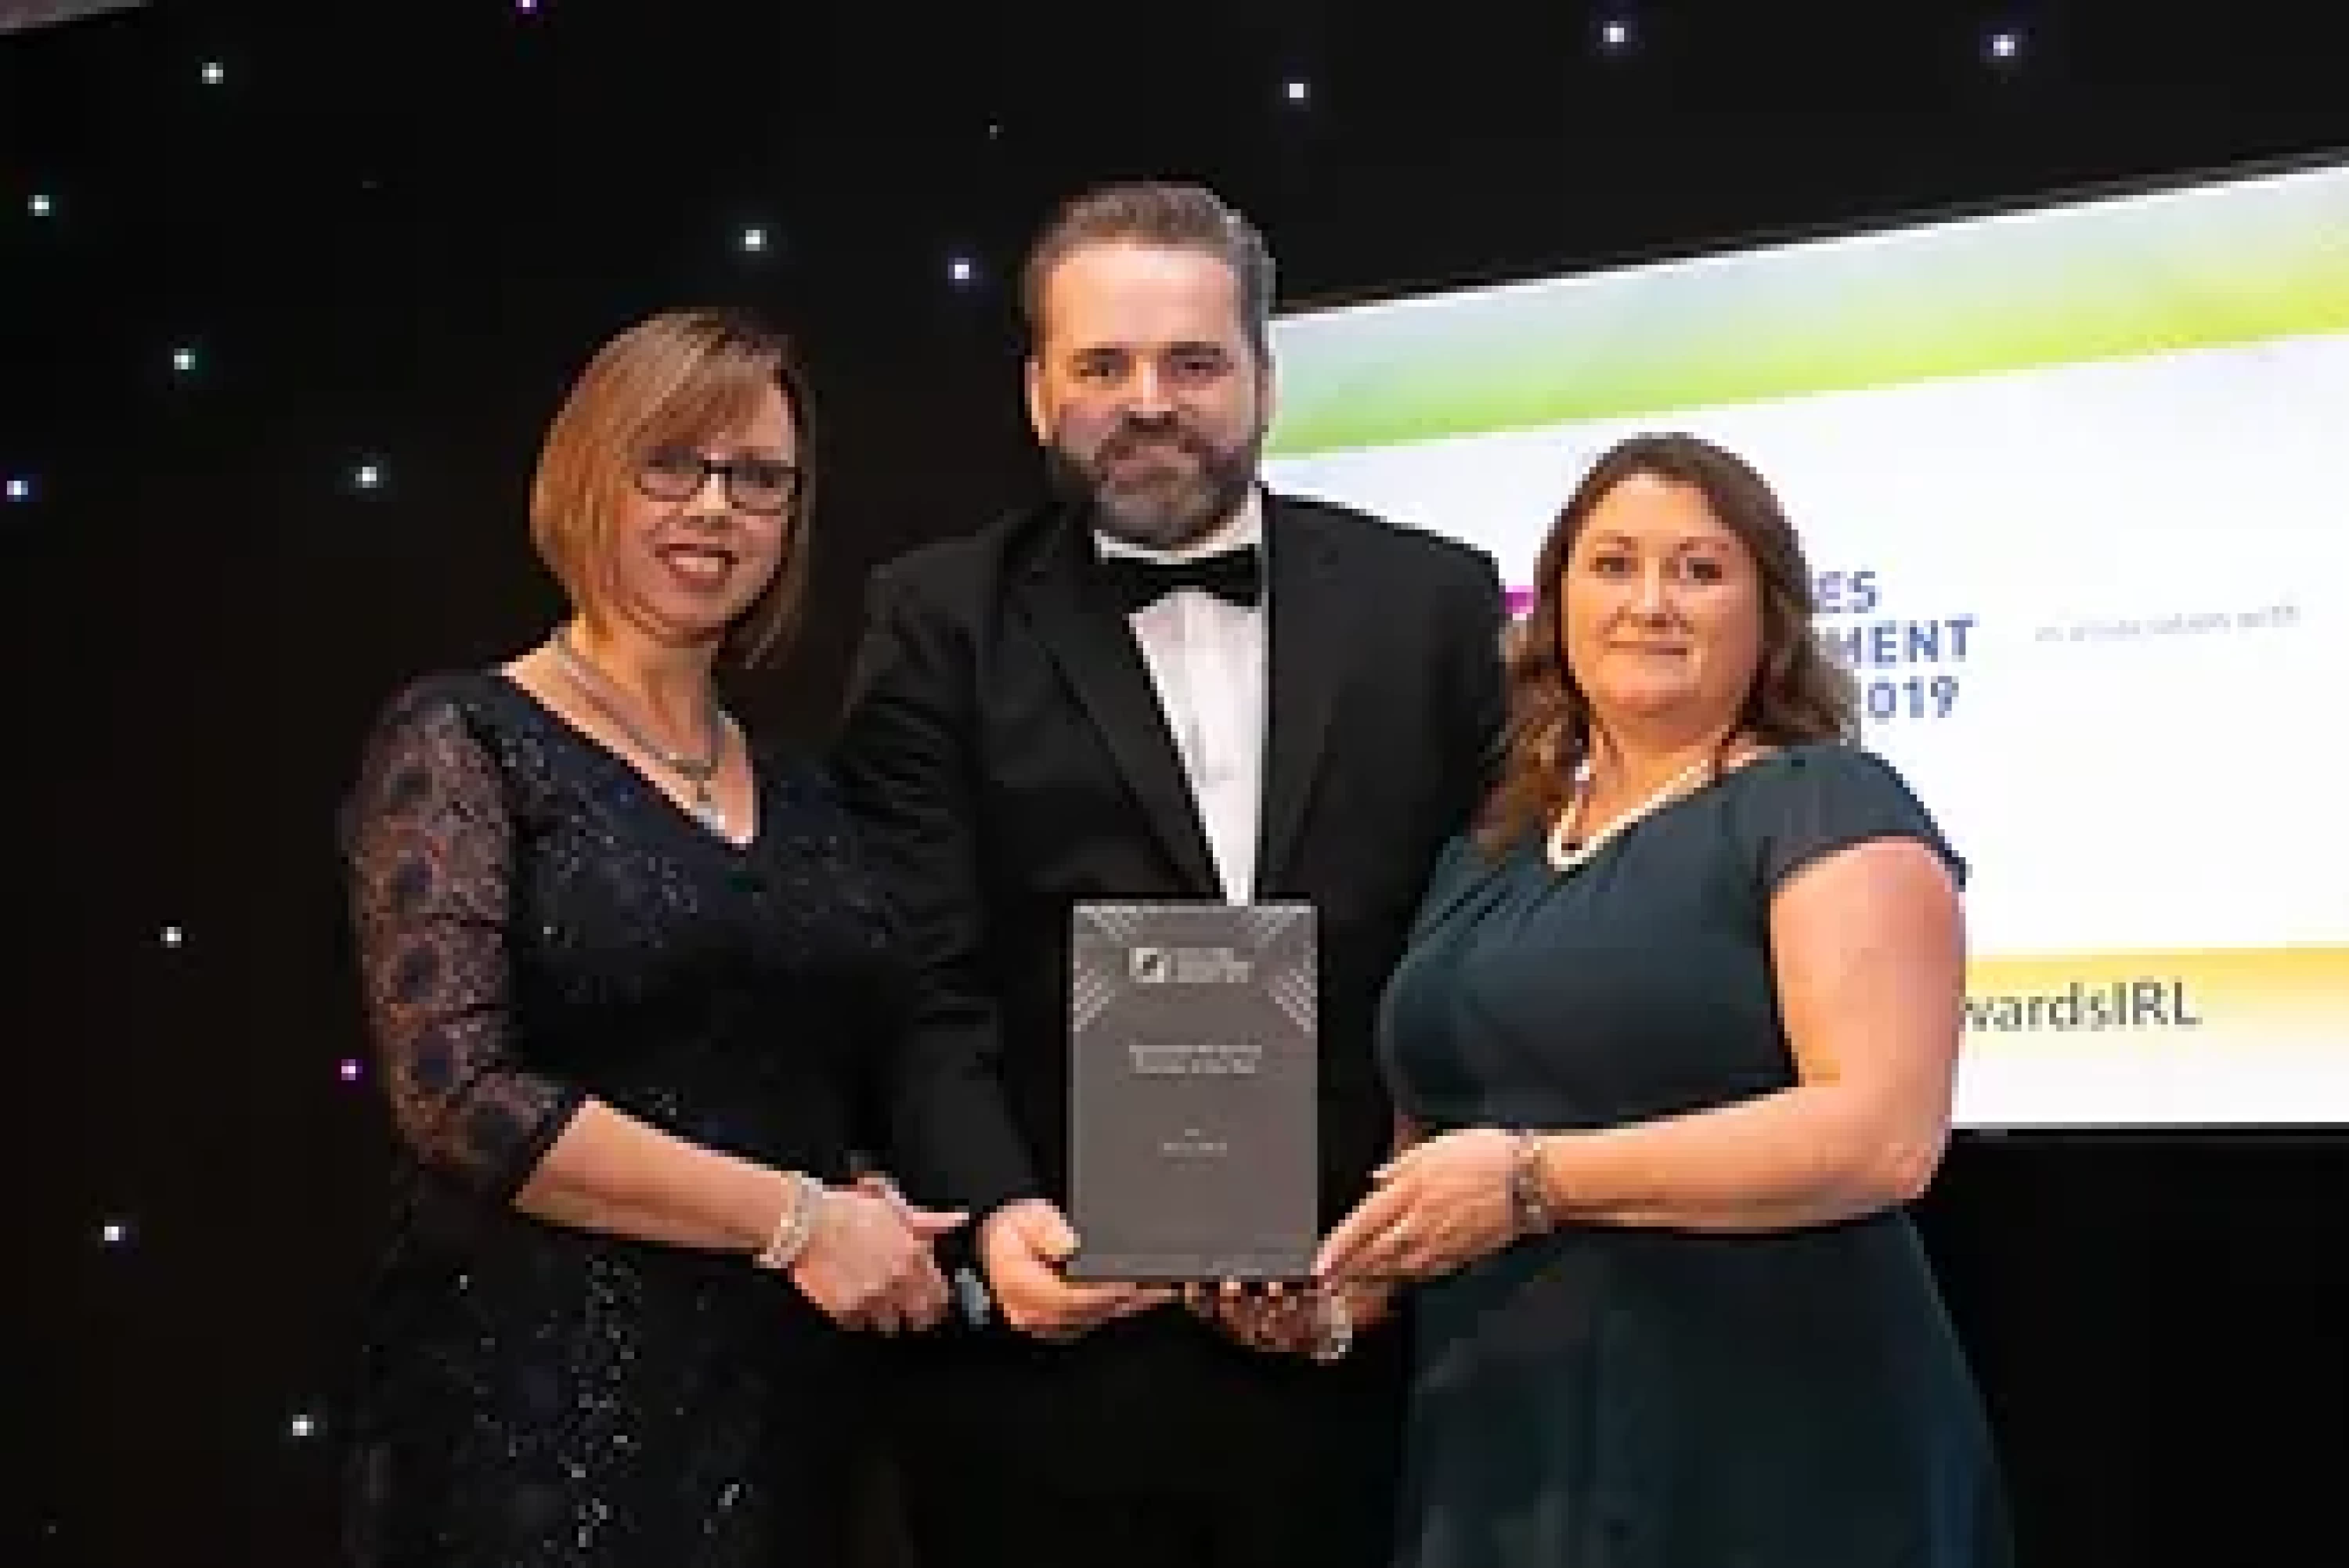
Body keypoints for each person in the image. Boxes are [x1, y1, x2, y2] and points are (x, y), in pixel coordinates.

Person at [830, 182, 1507, 1568]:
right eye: (1103, 365)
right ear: (1038, 393)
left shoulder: (1433, 604)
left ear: (1264, 377)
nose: (1149, 402)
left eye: (1194, 361)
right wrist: (998, 1215)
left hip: (1365, 1338)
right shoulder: (935, 616)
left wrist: (1396, 1231)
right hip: (1055, 1361)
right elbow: (917, 969)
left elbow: (1485, 942)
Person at [1314, 431, 2013, 1566]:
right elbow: (1432, 1148)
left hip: (1770, 1428)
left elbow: (1881, 1136)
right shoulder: (1485, 855)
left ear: (1770, 617)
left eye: (1699, 569)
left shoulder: (1825, 801)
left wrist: (1535, 1182)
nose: (1651, 603)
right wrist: (1342, 1290)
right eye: (1614, 565)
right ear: (1553, 610)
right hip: (1505, 1439)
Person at [336, 307, 964, 1568]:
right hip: (538, 1412)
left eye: (759, 478)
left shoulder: (807, 789)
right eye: (672, 463)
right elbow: (460, 1099)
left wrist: (861, 1186)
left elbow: (807, 1062)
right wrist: (796, 1218)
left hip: (787, 1411)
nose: (715, 507)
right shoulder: (464, 737)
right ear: (587, 477)